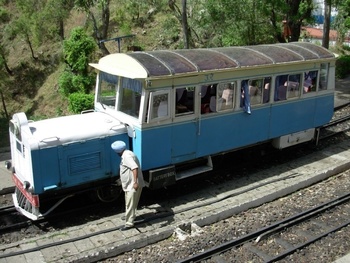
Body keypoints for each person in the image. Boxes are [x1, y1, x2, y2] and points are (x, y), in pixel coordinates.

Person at [111, 140, 145, 231]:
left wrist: (135, 182)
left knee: (130, 203)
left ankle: (129, 223)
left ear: (118, 152)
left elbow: (134, 168)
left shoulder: (127, 157)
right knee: (129, 203)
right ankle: (129, 216)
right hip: (129, 185)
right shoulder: (128, 153)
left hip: (132, 185)